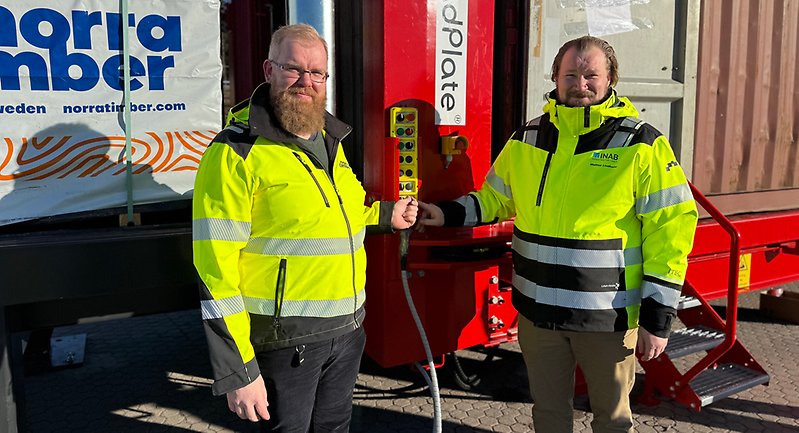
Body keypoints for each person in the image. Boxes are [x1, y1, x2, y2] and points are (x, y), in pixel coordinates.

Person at [418, 36, 698, 433]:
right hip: (537, 315)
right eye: (570, 74)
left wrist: (658, 318)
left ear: (611, 79)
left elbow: (670, 232)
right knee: (548, 416)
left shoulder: (641, 144)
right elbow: (495, 200)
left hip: (608, 320)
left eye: (590, 75)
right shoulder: (527, 138)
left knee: (613, 421)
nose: (580, 84)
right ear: (555, 77)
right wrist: (444, 214)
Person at [192, 23, 418, 432]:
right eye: (293, 68)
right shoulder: (235, 153)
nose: (306, 82)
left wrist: (386, 216)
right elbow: (214, 271)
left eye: (317, 73)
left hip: (347, 332)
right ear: (268, 70)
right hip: (285, 341)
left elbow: (337, 213)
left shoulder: (330, 141)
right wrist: (238, 371)